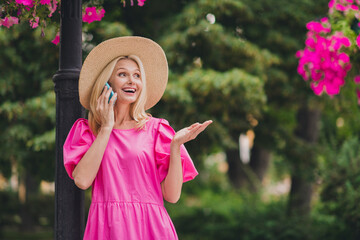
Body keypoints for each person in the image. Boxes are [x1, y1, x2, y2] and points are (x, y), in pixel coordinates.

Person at [63, 36, 212, 240]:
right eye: (122, 74)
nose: (132, 80)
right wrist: (107, 127)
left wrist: (176, 146)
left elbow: (172, 196)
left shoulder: (156, 130)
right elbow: (82, 180)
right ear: (107, 83)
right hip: (107, 226)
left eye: (137, 75)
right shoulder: (89, 130)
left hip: (151, 227)